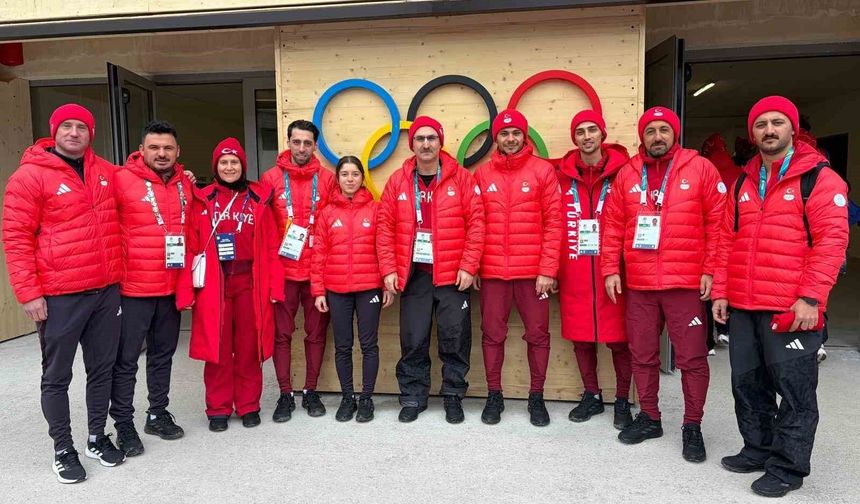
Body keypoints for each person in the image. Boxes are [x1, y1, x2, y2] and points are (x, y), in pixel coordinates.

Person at [712, 96, 849, 498]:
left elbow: (832, 242)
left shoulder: (819, 178)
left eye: (777, 123)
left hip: (791, 307)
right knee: (747, 385)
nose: (769, 131)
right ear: (752, 133)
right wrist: (721, 291)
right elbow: (724, 240)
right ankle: (757, 449)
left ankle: (788, 467)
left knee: (795, 392)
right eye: (761, 125)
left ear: (792, 129)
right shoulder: (741, 181)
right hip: (744, 303)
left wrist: (810, 298)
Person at [2, 103, 125, 483]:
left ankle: (95, 436)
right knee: (56, 375)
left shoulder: (105, 171)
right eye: (67, 126)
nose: (74, 133)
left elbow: (140, 182)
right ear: (54, 131)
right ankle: (63, 447)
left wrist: (182, 176)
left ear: (91, 133)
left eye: (82, 127)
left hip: (105, 291)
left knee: (101, 369)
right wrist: (29, 293)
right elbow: (16, 237)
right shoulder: (29, 176)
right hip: (60, 295)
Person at [602, 106, 725, 463]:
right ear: (642, 137)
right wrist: (611, 269)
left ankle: (692, 425)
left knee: (692, 358)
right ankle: (651, 417)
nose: (657, 136)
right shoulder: (628, 174)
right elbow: (612, 225)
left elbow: (717, 223)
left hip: (684, 281)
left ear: (675, 134)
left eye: (664, 130)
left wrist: (710, 270)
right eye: (651, 130)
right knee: (642, 354)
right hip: (639, 283)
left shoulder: (700, 167)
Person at [377, 115, 485, 423]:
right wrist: (388, 270)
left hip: (453, 274)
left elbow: (477, 224)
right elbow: (384, 228)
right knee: (413, 338)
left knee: (455, 337)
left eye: (431, 138)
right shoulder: (398, 180)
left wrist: (469, 264)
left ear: (440, 142)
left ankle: (453, 395)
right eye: (420, 139)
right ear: (412, 145)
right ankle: (413, 395)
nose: (426, 144)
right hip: (413, 275)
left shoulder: (461, 178)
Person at [176, 138, 284, 432]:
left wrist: (276, 287)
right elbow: (191, 246)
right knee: (218, 348)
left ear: (243, 165)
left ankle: (249, 404)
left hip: (250, 281)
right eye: (223, 162)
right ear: (216, 166)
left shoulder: (259, 197)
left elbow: (272, 246)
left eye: (234, 162)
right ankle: (218, 407)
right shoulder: (203, 197)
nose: (229, 167)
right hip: (215, 283)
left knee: (249, 348)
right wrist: (187, 290)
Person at [472, 109, 561, 426]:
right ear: (496, 138)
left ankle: (536, 397)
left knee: (538, 336)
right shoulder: (482, 175)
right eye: (504, 134)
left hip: (533, 275)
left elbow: (555, 224)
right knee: (491, 335)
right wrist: (477, 266)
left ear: (525, 136)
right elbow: (475, 224)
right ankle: (493, 395)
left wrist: (548, 269)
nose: (510, 139)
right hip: (494, 273)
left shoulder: (542, 172)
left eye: (516, 133)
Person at [110, 120, 192, 455]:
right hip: (133, 289)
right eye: (154, 148)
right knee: (126, 360)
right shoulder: (120, 180)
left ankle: (157, 412)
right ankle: (124, 424)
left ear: (177, 152)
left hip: (169, 288)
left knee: (163, 356)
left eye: (167, 148)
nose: (161, 154)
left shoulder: (184, 184)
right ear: (141, 150)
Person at [555, 110, 633, 430]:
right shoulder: (560, 175)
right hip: (573, 266)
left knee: (619, 339)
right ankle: (592, 394)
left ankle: (624, 399)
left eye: (592, 130)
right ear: (574, 139)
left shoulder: (625, 173)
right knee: (581, 338)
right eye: (580, 132)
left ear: (602, 134)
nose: (586, 137)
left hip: (612, 267)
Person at [260, 120, 337, 421]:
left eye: (307, 143)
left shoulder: (328, 179)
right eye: (296, 142)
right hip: (284, 272)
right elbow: (262, 228)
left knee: (316, 335)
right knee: (282, 335)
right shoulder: (270, 179)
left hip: (318, 272)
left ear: (315, 145)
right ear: (288, 142)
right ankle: (284, 393)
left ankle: (311, 390)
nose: (302, 148)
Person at [311, 156, 392, 422]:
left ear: (362, 178)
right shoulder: (326, 213)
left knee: (369, 345)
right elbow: (319, 253)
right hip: (336, 289)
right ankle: (348, 398)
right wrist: (319, 290)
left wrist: (386, 283)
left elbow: (384, 247)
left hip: (369, 287)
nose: (349, 179)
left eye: (355, 174)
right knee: (343, 346)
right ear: (337, 178)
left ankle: (366, 398)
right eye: (344, 174)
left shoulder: (376, 209)